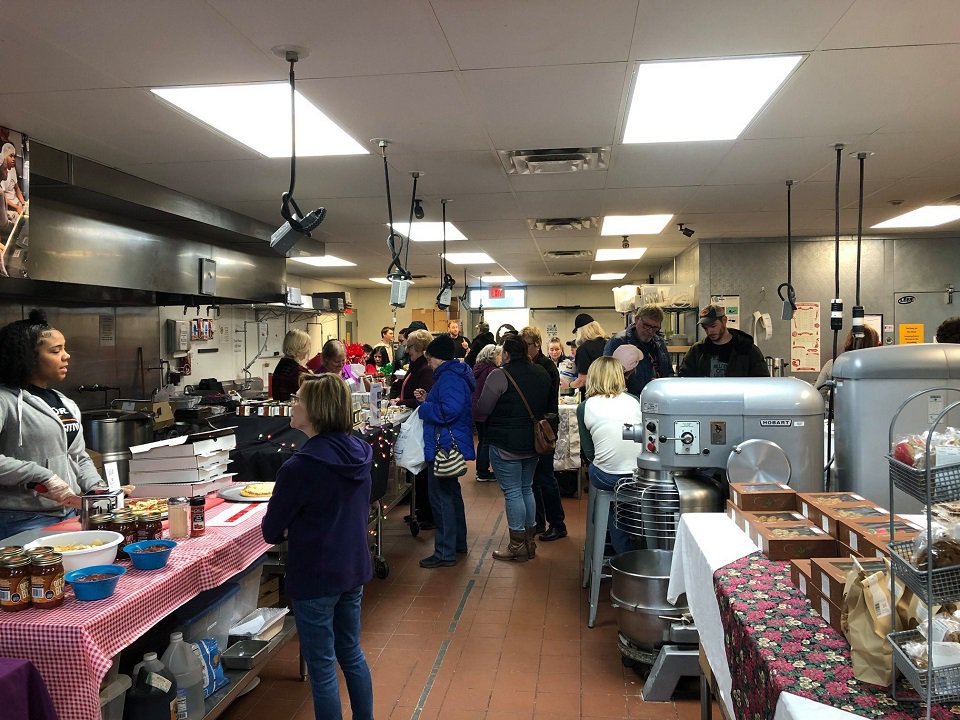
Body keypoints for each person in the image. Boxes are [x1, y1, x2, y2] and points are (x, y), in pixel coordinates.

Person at [261, 374, 374, 720]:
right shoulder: (361, 451)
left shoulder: (299, 467)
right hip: (352, 569)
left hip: (315, 577)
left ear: (316, 410)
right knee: (351, 653)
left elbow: (270, 531)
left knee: (322, 668)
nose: (292, 405)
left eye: (298, 400)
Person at [0, 310, 106, 539]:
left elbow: (78, 456)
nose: (66, 356)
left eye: (64, 348)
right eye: (55, 351)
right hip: (22, 519)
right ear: (27, 356)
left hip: (71, 514)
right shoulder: (4, 400)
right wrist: (41, 475)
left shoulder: (63, 401)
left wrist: (98, 490)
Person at [474, 335, 551, 562]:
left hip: (505, 441)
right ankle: (529, 541)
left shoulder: (500, 375)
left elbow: (484, 407)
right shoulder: (541, 372)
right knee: (526, 488)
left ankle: (517, 544)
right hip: (533, 441)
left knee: (513, 492)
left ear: (506, 353)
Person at [415, 335, 475, 568]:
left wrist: (425, 408)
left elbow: (449, 410)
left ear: (437, 358)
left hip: (444, 445)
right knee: (451, 495)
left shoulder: (448, 377)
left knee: (441, 499)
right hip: (451, 442)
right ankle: (457, 543)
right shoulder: (455, 375)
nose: (428, 363)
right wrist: (428, 399)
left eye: (429, 359)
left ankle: (444, 551)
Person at [577, 356, 644, 555]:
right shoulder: (634, 401)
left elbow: (589, 453)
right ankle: (637, 548)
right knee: (623, 500)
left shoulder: (585, 407)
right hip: (641, 476)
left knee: (608, 496)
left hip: (608, 476)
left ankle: (616, 550)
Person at [521, 326, 566, 542]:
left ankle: (557, 523)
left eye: (526, 345)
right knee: (534, 479)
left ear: (536, 345)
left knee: (545, 477)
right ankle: (539, 522)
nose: (523, 349)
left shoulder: (545, 368)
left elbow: (545, 400)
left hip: (544, 427)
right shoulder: (532, 365)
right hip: (536, 425)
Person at [389, 329, 435, 529]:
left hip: (419, 423)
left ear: (417, 348)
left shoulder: (423, 369)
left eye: (409, 347)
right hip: (413, 419)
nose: (406, 350)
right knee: (417, 471)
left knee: (421, 470)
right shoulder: (416, 367)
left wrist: (400, 400)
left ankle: (426, 513)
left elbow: (421, 398)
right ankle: (420, 510)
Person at [678, 305, 768, 378]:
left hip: (738, 400)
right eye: (705, 328)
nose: (709, 332)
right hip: (706, 400)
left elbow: (761, 381)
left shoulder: (747, 349)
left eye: (713, 326)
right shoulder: (697, 351)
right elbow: (684, 380)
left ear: (724, 320)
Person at [603, 304, 674, 396]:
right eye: (646, 325)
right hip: (628, 398)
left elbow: (668, 371)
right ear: (637, 319)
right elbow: (607, 375)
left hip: (657, 397)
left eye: (655, 328)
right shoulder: (618, 342)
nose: (650, 331)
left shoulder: (660, 343)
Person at [815, 326, 880, 409]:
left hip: (841, 418)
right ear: (874, 344)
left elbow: (817, 396)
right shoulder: (880, 367)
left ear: (849, 341)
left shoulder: (834, 364)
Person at [471, 344, 499, 482]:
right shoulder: (492, 370)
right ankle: (482, 472)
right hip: (486, 408)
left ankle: (480, 470)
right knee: (486, 441)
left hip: (475, 408)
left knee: (482, 440)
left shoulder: (477, 368)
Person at [569, 314, 608, 396]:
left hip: (593, 396)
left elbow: (582, 381)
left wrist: (569, 385)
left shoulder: (583, 349)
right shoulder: (609, 343)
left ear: (581, 331)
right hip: (612, 394)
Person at [271, 329, 312, 401]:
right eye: (307, 347)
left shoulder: (281, 366)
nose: (307, 351)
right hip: (295, 410)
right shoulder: (298, 371)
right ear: (300, 348)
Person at [1, 142, 25, 226]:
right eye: (11, 156)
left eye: (14, 156)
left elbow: (17, 188)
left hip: (17, 203)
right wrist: (16, 207)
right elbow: (3, 199)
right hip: (10, 208)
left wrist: (22, 203)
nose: (14, 159)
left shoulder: (13, 169)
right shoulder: (2, 174)